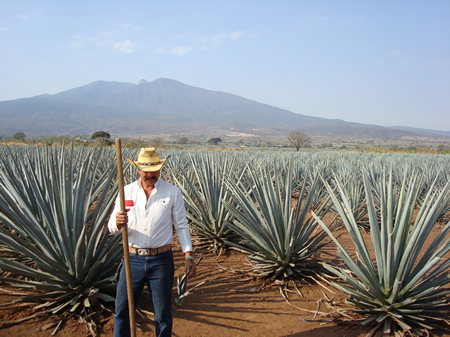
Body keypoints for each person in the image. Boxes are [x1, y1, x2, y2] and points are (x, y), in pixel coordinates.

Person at [108, 147, 197, 337]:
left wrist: (188, 255)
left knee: (163, 312)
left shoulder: (172, 192)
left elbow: (181, 225)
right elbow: (111, 227)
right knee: (123, 309)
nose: (150, 174)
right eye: (145, 170)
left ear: (160, 169)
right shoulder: (126, 192)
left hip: (161, 260)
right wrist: (117, 222)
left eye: (154, 169)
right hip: (132, 259)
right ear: (138, 170)